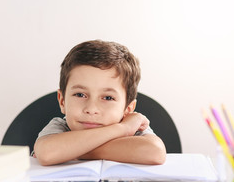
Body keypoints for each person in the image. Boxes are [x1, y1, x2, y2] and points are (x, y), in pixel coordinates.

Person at [33, 40, 166, 165]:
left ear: (128, 109)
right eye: (80, 95)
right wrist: (121, 129)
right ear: (62, 101)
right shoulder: (60, 127)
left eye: (107, 98)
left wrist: (70, 151)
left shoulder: (134, 128)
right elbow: (47, 153)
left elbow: (155, 152)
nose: (91, 109)